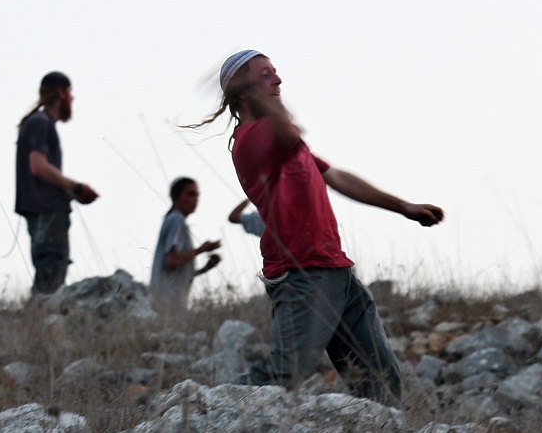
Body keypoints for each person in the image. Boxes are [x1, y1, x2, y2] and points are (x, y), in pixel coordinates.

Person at [190, 50, 444, 405]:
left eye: (275, 72)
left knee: (380, 380)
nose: (277, 80)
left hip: (335, 271)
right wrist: (269, 106)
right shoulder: (251, 138)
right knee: (285, 371)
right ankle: (202, 411)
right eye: (265, 74)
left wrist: (402, 206)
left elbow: (336, 177)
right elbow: (288, 132)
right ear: (242, 90)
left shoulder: (284, 141)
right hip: (302, 275)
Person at [15, 71, 100, 295]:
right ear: (62, 93)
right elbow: (38, 167)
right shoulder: (41, 122)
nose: (72, 99)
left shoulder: (37, 123)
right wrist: (76, 187)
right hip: (48, 211)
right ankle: (42, 316)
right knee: (51, 279)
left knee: (49, 274)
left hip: (42, 210)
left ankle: (39, 315)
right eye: (70, 93)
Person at [150, 177, 222, 312]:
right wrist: (202, 249)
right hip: (167, 303)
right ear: (177, 196)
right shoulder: (176, 220)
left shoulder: (176, 220)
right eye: (190, 194)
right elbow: (171, 260)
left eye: (197, 195)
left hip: (172, 301)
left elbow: (178, 274)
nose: (195, 199)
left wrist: (206, 268)